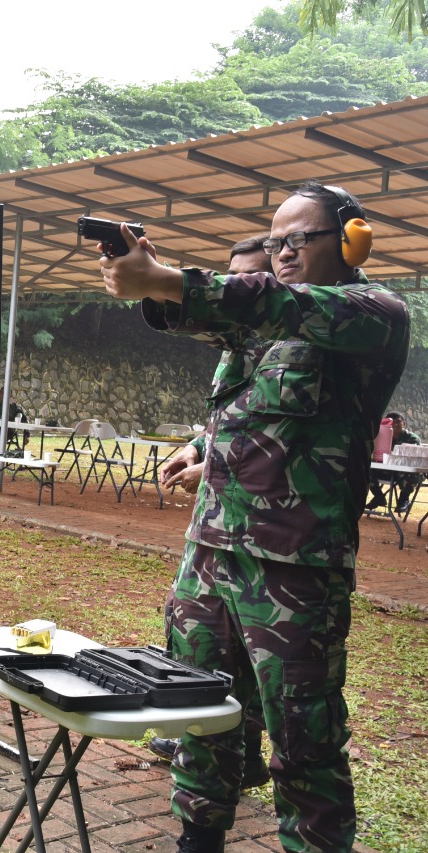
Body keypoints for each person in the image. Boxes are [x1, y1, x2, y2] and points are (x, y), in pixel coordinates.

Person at [98, 182, 409, 853]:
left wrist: (164, 277)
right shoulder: (259, 333)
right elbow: (210, 327)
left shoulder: (374, 315)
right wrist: (153, 281)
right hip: (210, 557)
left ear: (352, 238)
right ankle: (197, 836)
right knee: (203, 715)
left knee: (304, 741)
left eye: (300, 237)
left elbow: (275, 301)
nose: (285, 251)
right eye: (275, 241)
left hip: (294, 572)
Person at [148, 235, 275, 791]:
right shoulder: (237, 343)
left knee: (253, 652)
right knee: (199, 637)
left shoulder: (301, 340)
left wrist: (215, 464)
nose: (235, 290)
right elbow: (231, 417)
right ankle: (225, 745)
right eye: (231, 278)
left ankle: (242, 751)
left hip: (272, 533)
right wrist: (197, 446)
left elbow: (286, 435)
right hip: (216, 527)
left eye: (250, 280)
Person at [366, 411, 421, 514]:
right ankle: (378, 497)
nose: (394, 425)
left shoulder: (412, 439)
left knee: (412, 471)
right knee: (366, 470)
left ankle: (403, 499)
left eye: (398, 422)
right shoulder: (382, 437)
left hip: (404, 474)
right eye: (391, 422)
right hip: (387, 472)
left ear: (404, 423)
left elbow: (412, 460)